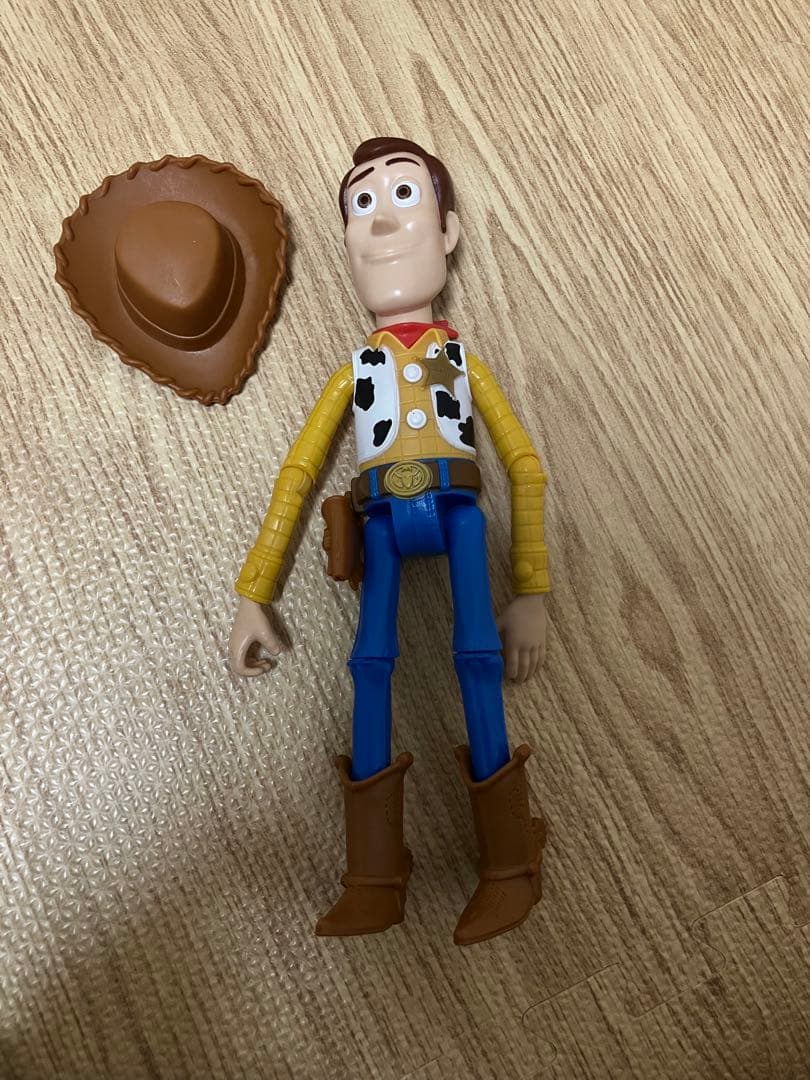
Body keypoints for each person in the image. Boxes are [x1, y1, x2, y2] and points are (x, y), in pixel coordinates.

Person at [229, 137, 551, 945]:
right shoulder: (356, 373)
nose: (379, 224)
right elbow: (299, 473)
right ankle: (373, 874)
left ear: (447, 230)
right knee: (368, 666)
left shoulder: (459, 360)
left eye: (403, 196)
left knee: (475, 655)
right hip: (379, 520)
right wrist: (255, 591)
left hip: (459, 512)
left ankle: (511, 863)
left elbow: (523, 464)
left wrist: (532, 590)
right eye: (361, 206)